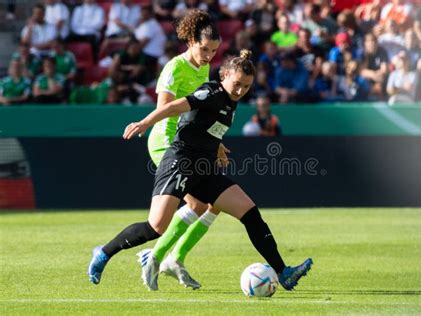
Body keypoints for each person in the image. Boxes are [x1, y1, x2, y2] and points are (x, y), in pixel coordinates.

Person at [124, 49, 313, 291]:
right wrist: (145, 121)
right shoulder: (195, 81)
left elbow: (209, 124)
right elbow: (173, 107)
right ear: (225, 76)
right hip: (175, 149)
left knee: (242, 211)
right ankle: (154, 256)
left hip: (202, 158)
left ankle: (282, 272)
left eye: (246, 87)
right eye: (237, 84)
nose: (240, 90)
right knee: (173, 216)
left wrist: (218, 147)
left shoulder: (224, 94)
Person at [88, 10, 225, 289]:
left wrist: (217, 143)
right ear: (190, 41)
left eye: (214, 50)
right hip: (167, 142)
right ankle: (121, 253)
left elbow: (200, 114)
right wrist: (144, 123)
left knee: (209, 205)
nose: (209, 55)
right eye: (204, 49)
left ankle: (168, 257)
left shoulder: (203, 67)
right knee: (178, 215)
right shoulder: (174, 68)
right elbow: (164, 110)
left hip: (190, 144)